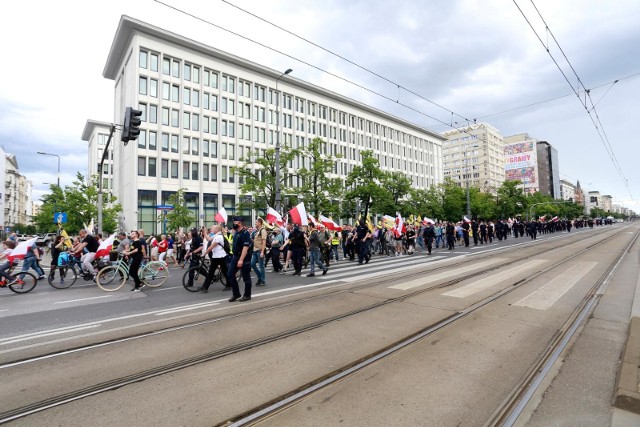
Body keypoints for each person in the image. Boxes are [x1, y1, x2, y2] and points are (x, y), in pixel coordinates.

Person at [227, 216, 253, 302]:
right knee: (230, 274)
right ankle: (236, 293)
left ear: (240, 223)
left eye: (235, 222)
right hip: (235, 256)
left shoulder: (245, 233)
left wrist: (241, 259)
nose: (233, 224)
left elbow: (245, 247)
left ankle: (247, 295)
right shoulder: (236, 233)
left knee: (246, 277)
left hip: (244, 257)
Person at [199, 225, 229, 293]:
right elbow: (208, 239)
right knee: (211, 272)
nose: (211, 228)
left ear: (217, 229)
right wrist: (204, 232)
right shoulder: (216, 236)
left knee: (225, 272)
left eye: (213, 228)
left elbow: (211, 247)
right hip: (216, 256)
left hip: (221, 256)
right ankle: (205, 287)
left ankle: (229, 285)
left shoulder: (219, 237)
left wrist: (204, 254)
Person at [250, 218, 268, 287]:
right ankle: (260, 277)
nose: (255, 223)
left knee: (261, 266)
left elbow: (264, 242)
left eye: (256, 222)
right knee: (252, 264)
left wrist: (262, 252)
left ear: (260, 223)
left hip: (260, 250)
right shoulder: (257, 231)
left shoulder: (263, 230)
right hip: (255, 250)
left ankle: (262, 280)